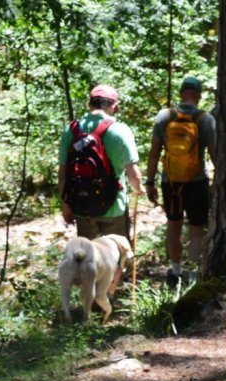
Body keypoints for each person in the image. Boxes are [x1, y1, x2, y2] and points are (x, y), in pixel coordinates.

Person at [58, 84, 145, 291]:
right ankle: (108, 297)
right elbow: (133, 174)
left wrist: (66, 205)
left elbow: (63, 174)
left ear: (90, 104)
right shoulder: (119, 130)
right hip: (113, 206)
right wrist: (139, 189)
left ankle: (90, 298)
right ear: (115, 106)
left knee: (90, 255)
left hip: (81, 205)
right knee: (115, 254)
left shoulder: (71, 130)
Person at [145, 76, 217, 276]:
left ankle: (176, 271)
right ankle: (194, 272)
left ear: (181, 93)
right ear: (199, 95)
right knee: (196, 229)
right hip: (197, 182)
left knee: (173, 226)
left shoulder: (163, 116)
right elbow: (214, 153)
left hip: (171, 183)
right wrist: (219, 182)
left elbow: (154, 154)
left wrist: (150, 182)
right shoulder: (205, 119)